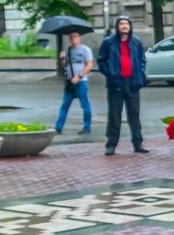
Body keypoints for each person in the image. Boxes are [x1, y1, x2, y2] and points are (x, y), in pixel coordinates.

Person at [98, 16, 148, 156]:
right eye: (121, 24)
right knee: (114, 115)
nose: (124, 26)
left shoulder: (136, 42)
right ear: (117, 26)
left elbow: (142, 60)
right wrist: (110, 74)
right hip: (116, 83)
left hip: (132, 83)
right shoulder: (109, 42)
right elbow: (101, 61)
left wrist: (140, 73)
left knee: (134, 114)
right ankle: (111, 144)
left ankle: (138, 143)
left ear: (130, 26)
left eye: (127, 24)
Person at [54, 31, 94, 135]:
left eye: (75, 36)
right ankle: (58, 127)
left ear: (79, 37)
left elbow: (89, 65)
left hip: (81, 82)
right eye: (70, 37)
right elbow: (65, 66)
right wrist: (62, 59)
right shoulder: (68, 50)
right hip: (70, 82)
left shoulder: (85, 49)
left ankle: (87, 127)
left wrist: (79, 76)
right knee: (65, 105)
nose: (73, 39)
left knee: (85, 105)